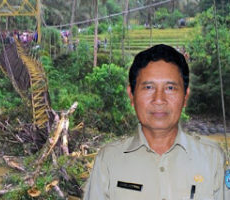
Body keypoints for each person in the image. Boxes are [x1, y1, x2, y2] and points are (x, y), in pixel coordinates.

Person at [83, 44, 230, 200]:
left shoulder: (213, 159)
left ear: (185, 96)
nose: (159, 99)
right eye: (148, 87)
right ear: (131, 95)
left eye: (170, 88)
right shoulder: (108, 160)